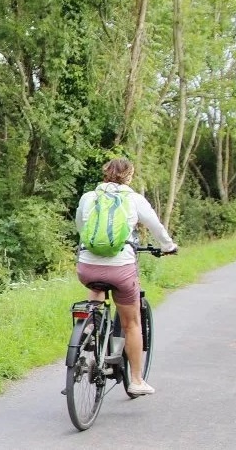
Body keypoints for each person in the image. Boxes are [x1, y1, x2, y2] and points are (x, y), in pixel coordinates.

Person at [75, 158, 177, 396]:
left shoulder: (89, 197)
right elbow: (156, 226)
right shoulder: (134, 199)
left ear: (105, 174)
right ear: (129, 176)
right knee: (131, 324)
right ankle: (136, 380)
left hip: (87, 266)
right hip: (120, 269)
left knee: (96, 287)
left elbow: (81, 227)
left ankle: (90, 326)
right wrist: (168, 246)